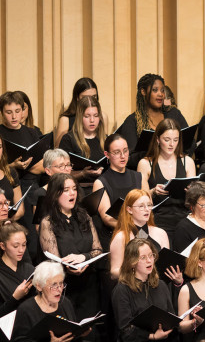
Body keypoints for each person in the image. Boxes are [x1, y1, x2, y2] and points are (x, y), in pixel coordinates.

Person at [39, 173, 103, 318]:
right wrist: (70, 269)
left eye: (74, 188)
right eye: (66, 190)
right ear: (55, 194)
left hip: (89, 283)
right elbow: (53, 262)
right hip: (65, 286)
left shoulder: (84, 216)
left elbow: (98, 250)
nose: (72, 193)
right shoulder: (48, 223)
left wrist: (83, 257)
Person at [137, 118, 196, 241]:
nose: (171, 144)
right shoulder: (145, 163)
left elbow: (194, 198)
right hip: (157, 217)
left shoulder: (187, 162)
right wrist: (153, 191)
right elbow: (141, 197)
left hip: (183, 216)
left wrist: (191, 191)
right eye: (167, 140)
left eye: (175, 140)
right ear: (158, 140)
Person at [116, 73, 188, 162]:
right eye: (155, 90)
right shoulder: (132, 121)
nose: (160, 94)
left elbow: (190, 143)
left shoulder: (173, 113)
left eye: (162, 90)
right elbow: (130, 157)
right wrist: (156, 153)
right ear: (143, 92)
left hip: (174, 165)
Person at [108, 188, 175, 282]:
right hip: (133, 288)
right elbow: (114, 272)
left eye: (149, 205)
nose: (147, 209)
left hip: (157, 285)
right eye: (141, 206)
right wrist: (137, 272)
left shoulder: (161, 233)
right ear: (129, 209)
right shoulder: (121, 237)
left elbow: (166, 264)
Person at [92, 134, 149, 231]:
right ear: (107, 154)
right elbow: (108, 219)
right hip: (118, 233)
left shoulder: (140, 177)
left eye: (125, 150)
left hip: (141, 230)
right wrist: (133, 229)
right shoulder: (100, 183)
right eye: (117, 152)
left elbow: (148, 208)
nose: (123, 156)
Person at [0, 91, 45, 189]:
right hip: (6, 185)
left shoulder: (32, 132)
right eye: (9, 112)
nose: (14, 117)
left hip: (31, 185)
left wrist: (26, 166)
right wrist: (12, 165)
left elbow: (42, 165)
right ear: (2, 113)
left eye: (17, 111)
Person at [58, 95, 107, 186]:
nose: (92, 120)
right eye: (87, 116)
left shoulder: (106, 139)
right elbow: (60, 174)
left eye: (96, 116)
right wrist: (82, 174)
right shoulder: (68, 139)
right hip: (79, 188)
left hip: (103, 186)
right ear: (80, 117)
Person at [54, 77, 109, 146]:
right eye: (85, 97)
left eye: (94, 96)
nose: (90, 100)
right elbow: (58, 149)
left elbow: (105, 143)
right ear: (77, 98)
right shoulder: (66, 120)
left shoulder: (103, 116)